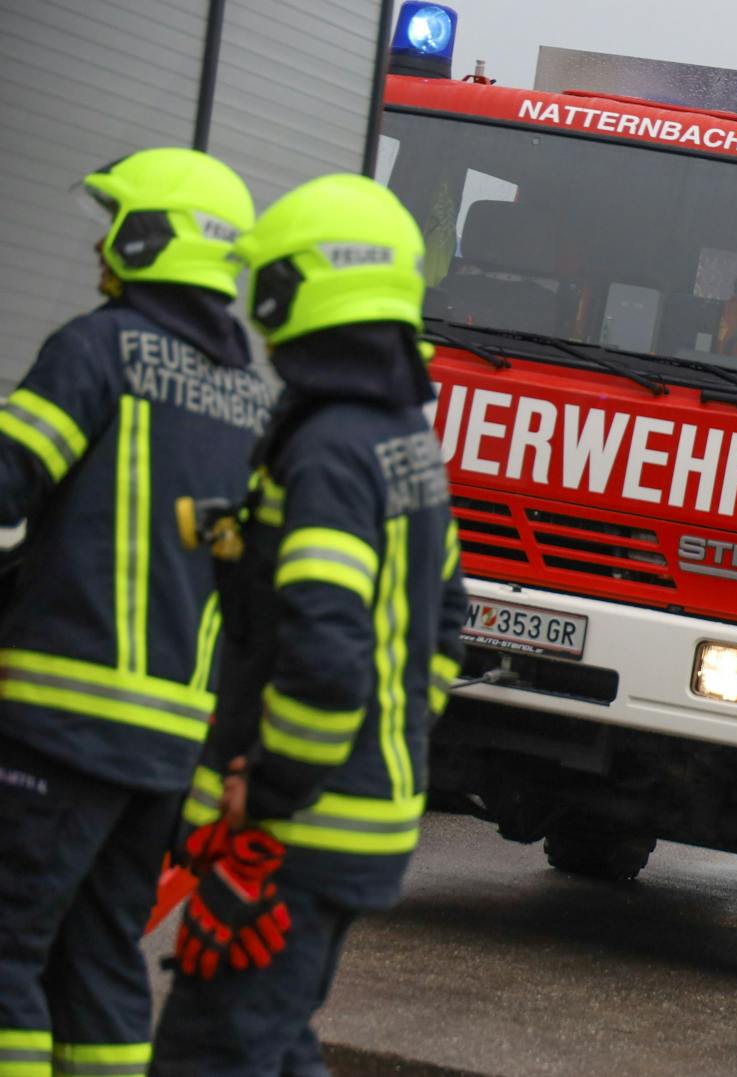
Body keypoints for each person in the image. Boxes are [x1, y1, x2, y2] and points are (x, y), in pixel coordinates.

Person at [150, 173, 467, 1074]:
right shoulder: (403, 440)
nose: (259, 307)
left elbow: (327, 663)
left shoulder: (328, 450)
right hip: (359, 816)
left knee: (215, 1052)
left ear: (310, 286)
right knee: (274, 1044)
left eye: (272, 283)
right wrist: (393, 734)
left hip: (298, 827)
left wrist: (270, 793)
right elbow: (444, 619)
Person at [0, 148, 267, 1074]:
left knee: (7, 947)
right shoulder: (249, 400)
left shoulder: (97, 348)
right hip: (166, 747)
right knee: (101, 955)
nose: (101, 244)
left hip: (59, 723)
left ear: (151, 236)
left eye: (115, 222)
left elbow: (8, 481)